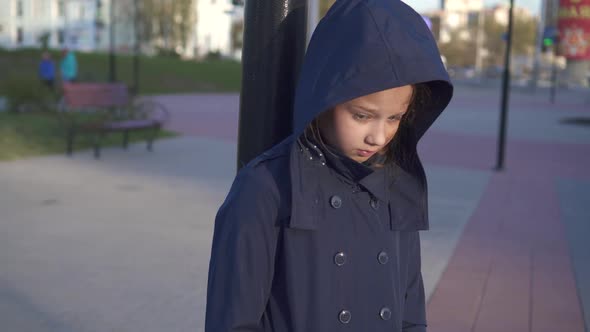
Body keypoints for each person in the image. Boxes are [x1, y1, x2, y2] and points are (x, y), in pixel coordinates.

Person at [205, 0, 453, 331]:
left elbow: (410, 313)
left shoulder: (397, 184)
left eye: (395, 118)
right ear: (326, 95)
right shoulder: (267, 187)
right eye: (362, 115)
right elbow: (234, 320)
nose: (378, 136)